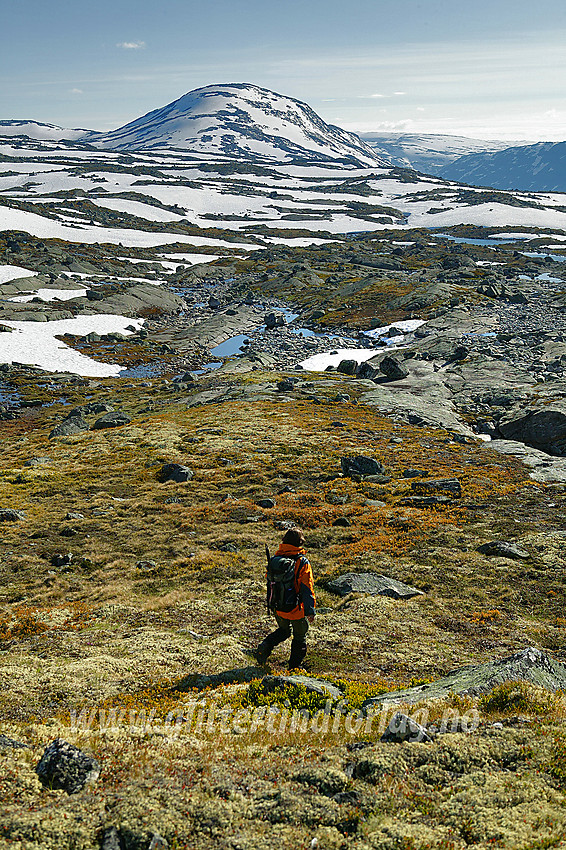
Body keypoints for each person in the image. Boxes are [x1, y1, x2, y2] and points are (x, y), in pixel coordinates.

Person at [254, 527, 316, 670]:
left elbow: (270, 581)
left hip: (277, 606)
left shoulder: (275, 559)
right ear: (300, 542)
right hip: (296, 609)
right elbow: (307, 588)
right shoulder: (302, 562)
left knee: (284, 631)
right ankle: (294, 668)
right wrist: (310, 611)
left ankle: (264, 647)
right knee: (300, 637)